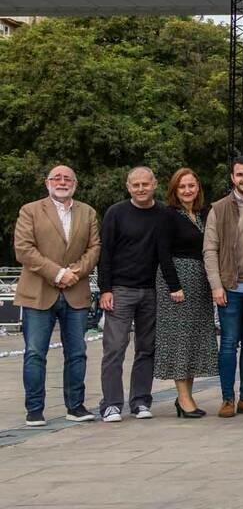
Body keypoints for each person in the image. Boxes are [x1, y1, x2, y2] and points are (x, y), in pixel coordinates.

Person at [13, 165, 101, 426]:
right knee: (35, 353)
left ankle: (76, 407)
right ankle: (34, 410)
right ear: (46, 182)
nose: (62, 182)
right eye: (57, 178)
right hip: (38, 292)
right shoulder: (30, 210)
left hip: (76, 292)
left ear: (75, 183)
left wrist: (74, 272)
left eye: (68, 178)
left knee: (77, 353)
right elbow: (23, 249)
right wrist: (58, 274)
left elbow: (94, 248)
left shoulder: (88, 212)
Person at [98, 166, 171, 422]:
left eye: (145, 184)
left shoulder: (163, 213)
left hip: (151, 291)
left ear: (154, 184)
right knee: (115, 348)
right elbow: (104, 253)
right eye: (135, 185)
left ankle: (140, 401)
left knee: (147, 348)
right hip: (120, 290)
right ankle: (111, 404)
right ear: (128, 187)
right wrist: (105, 289)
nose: (141, 189)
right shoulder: (116, 213)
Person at [203, 155, 243, 418]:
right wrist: (216, 285)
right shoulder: (218, 208)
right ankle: (227, 398)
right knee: (228, 343)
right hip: (229, 286)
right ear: (232, 177)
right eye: (239, 174)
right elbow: (210, 249)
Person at [154, 168, 217, 419]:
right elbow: (162, 252)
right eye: (182, 187)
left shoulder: (203, 213)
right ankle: (183, 397)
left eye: (192, 186)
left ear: (198, 188)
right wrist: (174, 286)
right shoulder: (167, 215)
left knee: (193, 339)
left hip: (200, 280)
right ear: (174, 190)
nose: (188, 191)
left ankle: (187, 396)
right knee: (179, 339)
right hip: (177, 279)